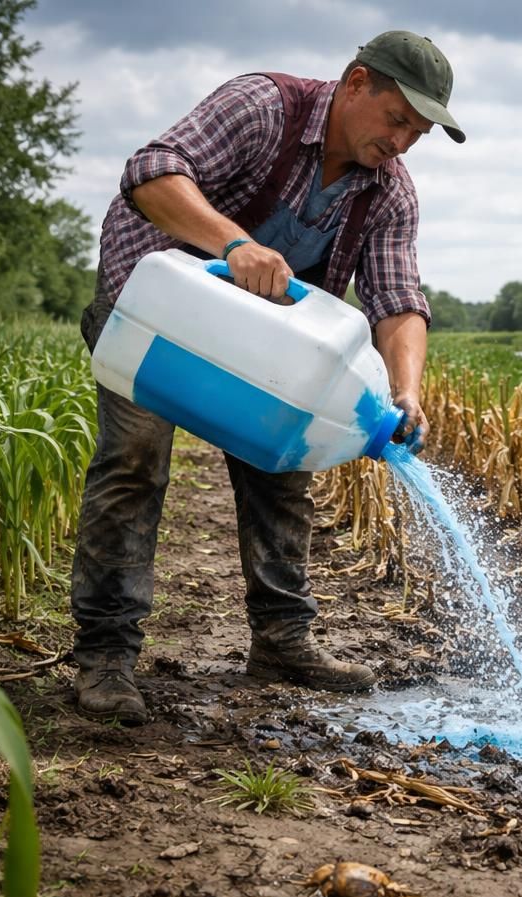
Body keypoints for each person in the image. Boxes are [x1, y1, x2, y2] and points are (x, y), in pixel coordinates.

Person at [70, 30, 464, 724]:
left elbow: (398, 298)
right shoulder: (264, 108)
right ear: (356, 82)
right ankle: (105, 656)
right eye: (397, 118)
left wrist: (406, 390)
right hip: (152, 310)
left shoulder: (389, 193)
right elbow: (151, 172)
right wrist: (234, 244)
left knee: (283, 469)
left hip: (263, 339)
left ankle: (282, 640)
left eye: (418, 133)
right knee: (134, 461)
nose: (402, 142)